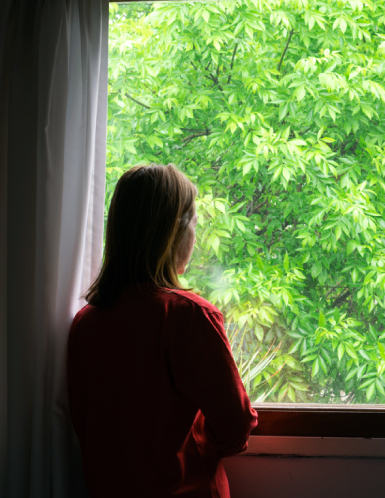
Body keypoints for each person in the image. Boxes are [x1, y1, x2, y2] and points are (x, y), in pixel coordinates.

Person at [67, 164, 258, 498]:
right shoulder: (187, 316)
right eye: (195, 223)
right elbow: (235, 428)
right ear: (173, 232)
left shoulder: (86, 323)